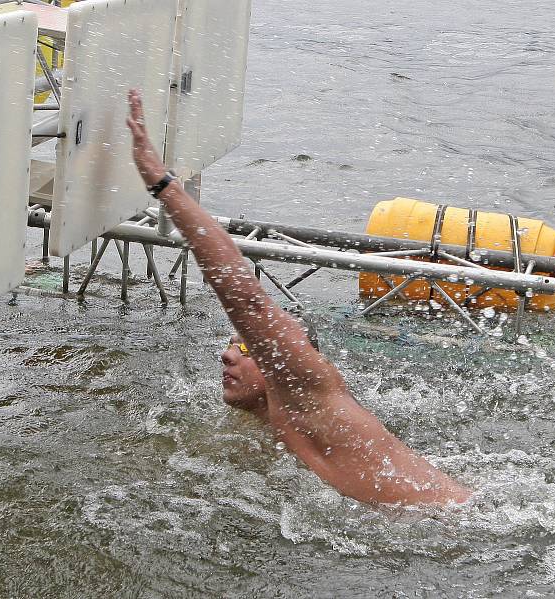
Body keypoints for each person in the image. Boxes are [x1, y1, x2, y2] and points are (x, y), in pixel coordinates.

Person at [126, 89, 470, 506]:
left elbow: (246, 299)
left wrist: (164, 186)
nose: (227, 356)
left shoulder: (307, 396)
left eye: (247, 346)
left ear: (282, 362)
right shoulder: (266, 420)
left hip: (447, 527)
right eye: (231, 345)